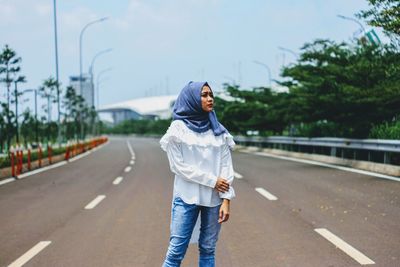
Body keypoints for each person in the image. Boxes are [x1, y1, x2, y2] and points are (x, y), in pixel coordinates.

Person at [160, 81, 235, 267]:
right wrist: (212, 181)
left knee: (208, 249)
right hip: (186, 197)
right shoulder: (178, 129)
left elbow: (226, 166)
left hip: (214, 199)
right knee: (176, 251)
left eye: (211, 95)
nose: (210, 99)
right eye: (204, 95)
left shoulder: (218, 130)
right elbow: (178, 166)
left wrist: (226, 199)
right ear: (192, 99)